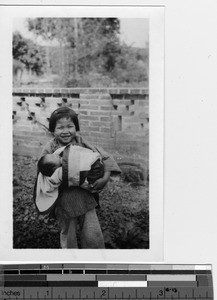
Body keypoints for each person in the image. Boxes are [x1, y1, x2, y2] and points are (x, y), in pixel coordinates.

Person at [36, 106, 121, 249]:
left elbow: (105, 157)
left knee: (92, 233)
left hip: (85, 197)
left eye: (70, 126)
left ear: (76, 127)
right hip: (63, 199)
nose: (65, 131)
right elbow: (42, 172)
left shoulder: (81, 142)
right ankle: (70, 262)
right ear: (52, 130)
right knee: (68, 234)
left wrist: (105, 178)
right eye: (60, 128)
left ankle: (95, 259)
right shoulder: (50, 149)